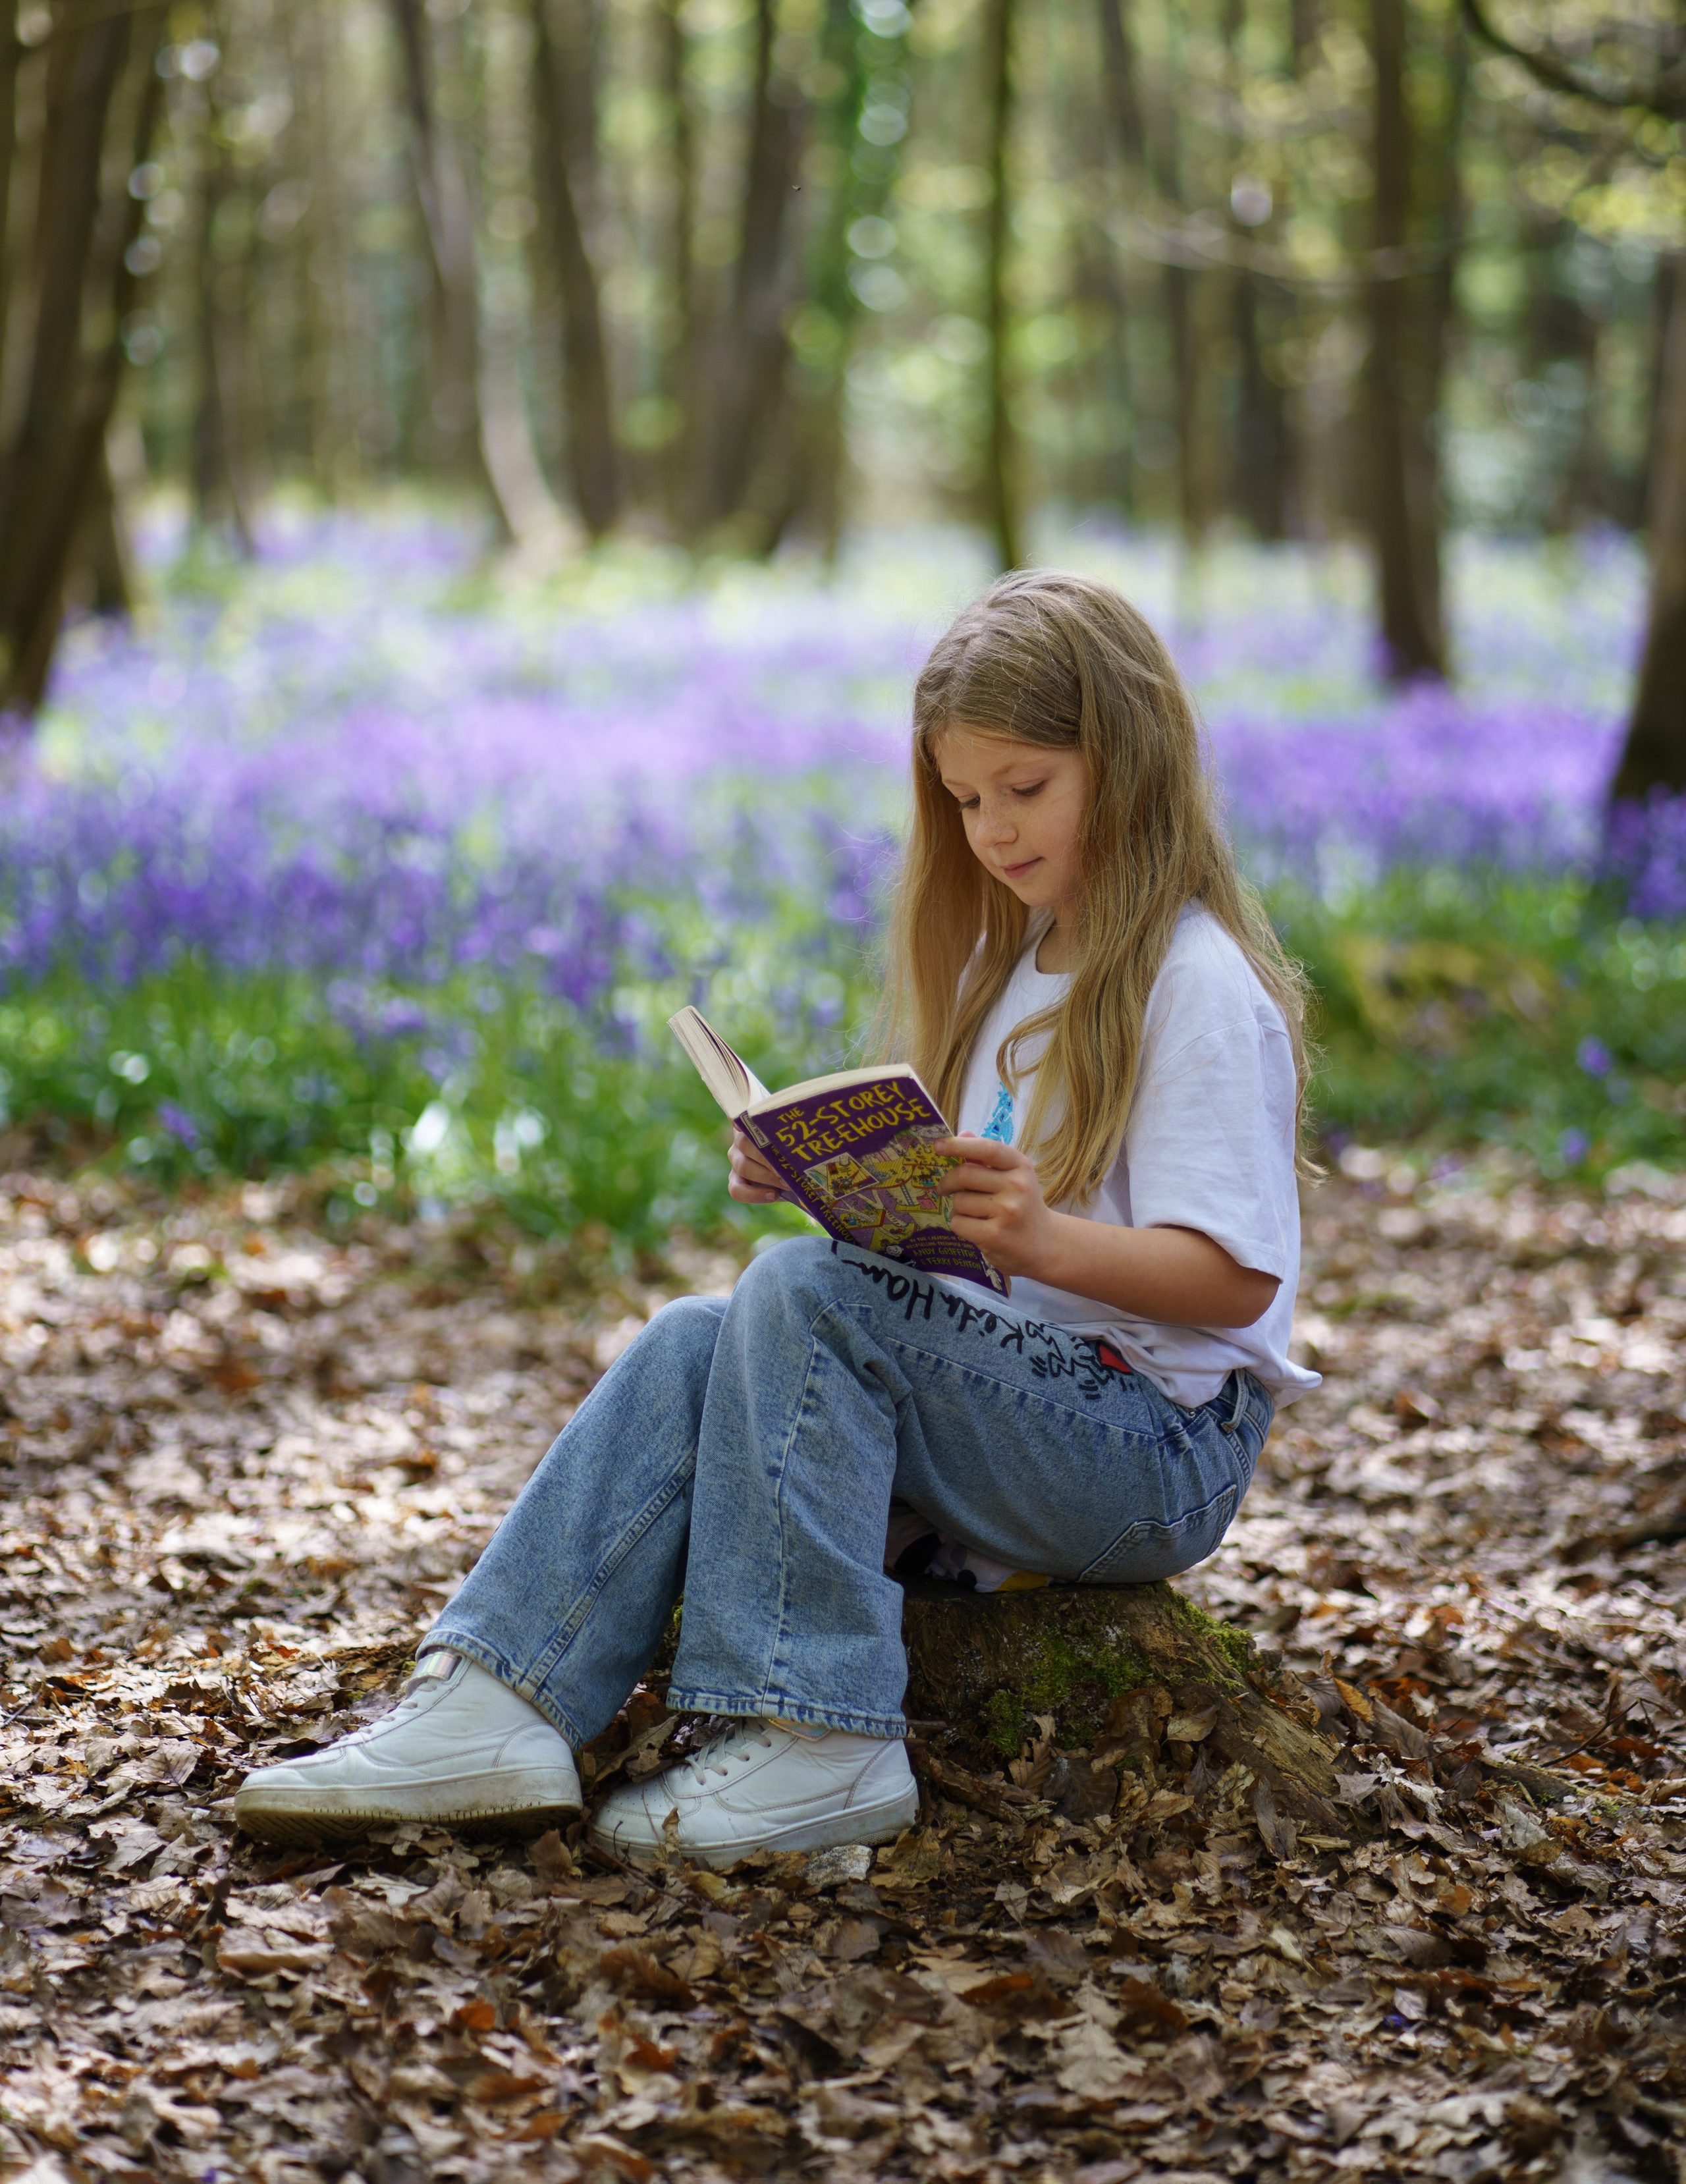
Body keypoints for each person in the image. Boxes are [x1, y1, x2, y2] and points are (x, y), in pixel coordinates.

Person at [233, 569, 1319, 1867]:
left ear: (1130, 760)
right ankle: (500, 1699)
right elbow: (944, 1285)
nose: (992, 830)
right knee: (704, 1332)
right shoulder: (998, 968)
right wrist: (839, 1190)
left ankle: (818, 1734)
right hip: (1024, 1407)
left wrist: (1040, 1237)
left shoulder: (1191, 984)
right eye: (964, 800)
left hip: (1150, 1444)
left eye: (1024, 787)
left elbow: (1232, 1283)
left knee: (796, 1295)